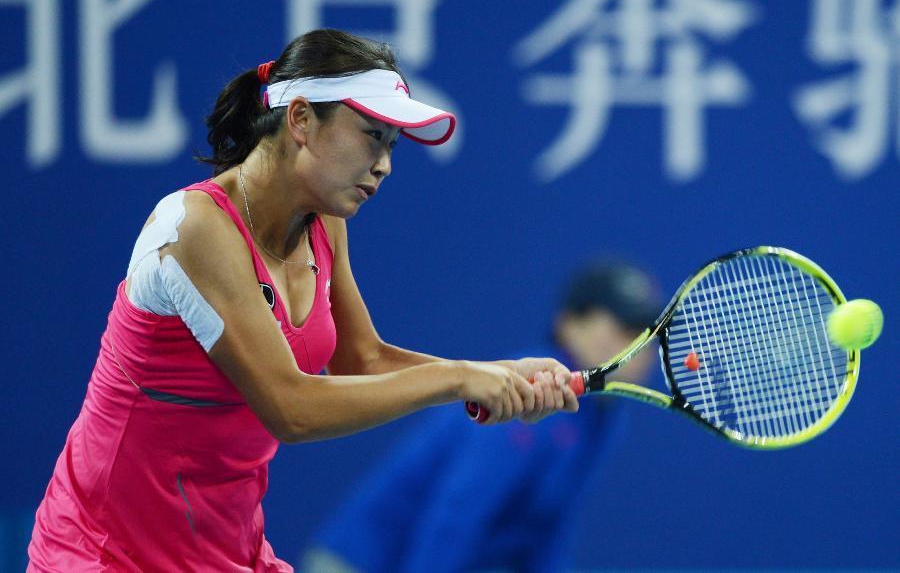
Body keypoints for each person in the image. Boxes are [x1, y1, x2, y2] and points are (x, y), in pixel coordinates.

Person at [27, 29, 578, 572]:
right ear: (300, 120)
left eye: (391, 145)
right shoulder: (195, 228)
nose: (385, 164)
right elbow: (292, 409)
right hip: (103, 555)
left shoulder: (326, 223)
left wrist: (501, 373)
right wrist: (459, 378)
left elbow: (361, 360)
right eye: (372, 135)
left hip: (222, 552)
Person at [303, 261, 662, 573]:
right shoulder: (531, 394)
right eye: (620, 328)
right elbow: (455, 517)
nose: (635, 346)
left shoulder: (605, 418)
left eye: (643, 333)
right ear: (569, 324)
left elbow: (548, 529)